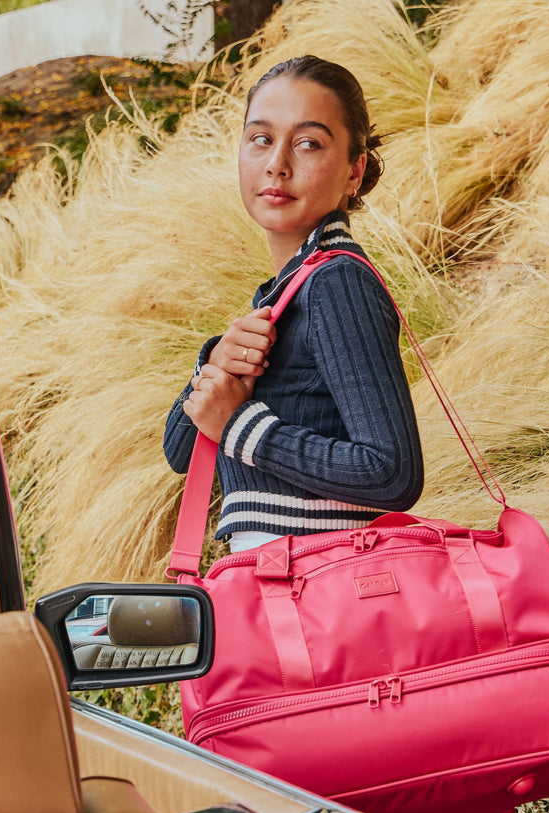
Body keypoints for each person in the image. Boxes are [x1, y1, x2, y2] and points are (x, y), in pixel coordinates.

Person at [164, 55, 423, 552]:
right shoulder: (287, 290)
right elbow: (180, 452)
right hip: (286, 589)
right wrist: (216, 363)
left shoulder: (337, 281)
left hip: (320, 597)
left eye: (308, 143)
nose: (277, 164)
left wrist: (239, 425)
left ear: (354, 171)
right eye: (261, 138)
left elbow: (394, 473)